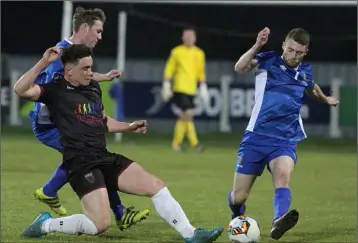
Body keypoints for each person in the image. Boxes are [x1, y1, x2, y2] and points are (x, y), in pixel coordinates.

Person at [15, 44, 223, 243]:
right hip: (80, 164)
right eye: (85, 68)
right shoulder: (55, 90)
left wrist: (129, 126)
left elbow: (102, 122)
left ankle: (192, 234)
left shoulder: (93, 88)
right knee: (100, 224)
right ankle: (46, 225)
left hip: (103, 156)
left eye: (91, 67)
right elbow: (20, 89)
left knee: (156, 186)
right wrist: (43, 62)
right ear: (68, 71)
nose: (90, 72)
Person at [31, 6, 149, 230]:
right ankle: (50, 192)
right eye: (98, 31)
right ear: (84, 28)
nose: (100, 37)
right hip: (50, 124)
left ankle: (52, 192)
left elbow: (76, 74)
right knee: (91, 154)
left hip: (61, 122)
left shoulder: (72, 54)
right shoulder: (60, 53)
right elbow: (47, 85)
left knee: (92, 155)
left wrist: (103, 77)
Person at [228, 27, 339, 240]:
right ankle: (236, 215)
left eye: (299, 52)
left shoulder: (304, 71)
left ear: (305, 51)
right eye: (290, 50)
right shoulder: (268, 60)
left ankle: (279, 220)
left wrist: (325, 99)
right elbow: (240, 67)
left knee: (283, 177)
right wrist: (258, 45)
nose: (294, 56)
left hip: (285, 140)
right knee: (239, 196)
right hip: (256, 138)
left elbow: (311, 87)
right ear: (283, 46)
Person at [161, 27, 209, 152]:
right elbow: (169, 68)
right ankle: (195, 144)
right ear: (183, 38)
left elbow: (200, 71)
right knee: (188, 114)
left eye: (191, 36)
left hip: (191, 89)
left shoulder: (199, 53)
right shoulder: (176, 51)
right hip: (180, 88)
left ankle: (177, 144)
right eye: (186, 36)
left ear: (195, 38)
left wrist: (203, 86)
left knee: (184, 116)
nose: (188, 39)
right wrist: (166, 83)